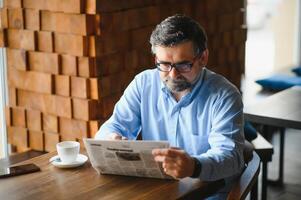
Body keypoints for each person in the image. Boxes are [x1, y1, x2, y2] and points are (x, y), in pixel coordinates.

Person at [95, 14, 245, 199]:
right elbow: (113, 126)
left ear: (203, 58)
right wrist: (112, 138)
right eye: (164, 64)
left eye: (183, 65)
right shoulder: (143, 84)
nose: (173, 74)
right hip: (156, 192)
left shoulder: (225, 95)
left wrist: (194, 166)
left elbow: (231, 157)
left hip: (207, 194)